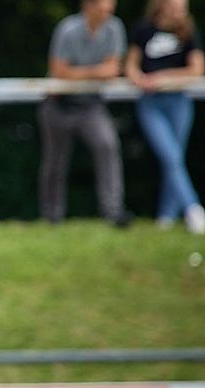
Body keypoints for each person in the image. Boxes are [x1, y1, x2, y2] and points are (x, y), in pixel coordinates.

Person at [38, 0, 133, 228]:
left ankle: (113, 211)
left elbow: (113, 69)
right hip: (59, 104)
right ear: (88, 6)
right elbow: (59, 71)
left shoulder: (114, 27)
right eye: (103, 5)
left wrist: (78, 73)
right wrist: (96, 72)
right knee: (55, 162)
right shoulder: (68, 29)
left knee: (107, 146)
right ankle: (52, 216)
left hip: (90, 105)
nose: (109, 10)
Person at [125, 0, 205, 235]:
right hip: (151, 102)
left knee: (174, 159)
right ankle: (193, 208)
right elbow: (130, 65)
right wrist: (139, 78)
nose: (182, 11)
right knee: (170, 156)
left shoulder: (188, 31)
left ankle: (166, 217)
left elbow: (196, 69)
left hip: (179, 101)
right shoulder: (143, 29)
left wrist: (163, 77)